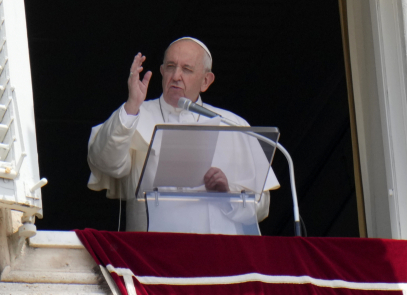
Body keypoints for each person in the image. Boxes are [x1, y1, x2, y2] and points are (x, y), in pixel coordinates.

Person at [87, 37, 279, 232]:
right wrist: (131, 106)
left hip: (218, 252)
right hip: (150, 252)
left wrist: (228, 193)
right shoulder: (135, 114)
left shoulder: (233, 125)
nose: (176, 76)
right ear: (162, 72)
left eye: (187, 69)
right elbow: (106, 163)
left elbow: (262, 207)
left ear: (206, 81)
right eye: (170, 66)